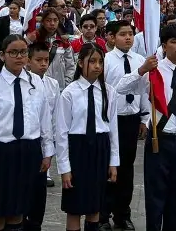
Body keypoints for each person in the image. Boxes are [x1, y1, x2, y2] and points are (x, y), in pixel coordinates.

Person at [117, 24, 176, 231]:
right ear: (164, 45)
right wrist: (141, 70)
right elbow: (121, 88)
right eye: (174, 42)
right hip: (158, 140)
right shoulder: (153, 71)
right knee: (155, 197)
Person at [0, 34, 53, 231]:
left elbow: (44, 119)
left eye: (23, 52)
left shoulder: (36, 83)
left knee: (17, 213)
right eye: (13, 52)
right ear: (2, 55)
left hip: (28, 152)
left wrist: (47, 151)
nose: (19, 57)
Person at [56, 42, 119, 231]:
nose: (97, 66)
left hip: (100, 148)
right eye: (92, 61)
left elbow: (113, 128)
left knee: (95, 205)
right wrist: (65, 168)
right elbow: (61, 133)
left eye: (100, 61)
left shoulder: (109, 92)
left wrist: (113, 162)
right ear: (80, 63)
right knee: (74, 207)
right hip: (78, 150)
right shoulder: (69, 93)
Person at [100, 20, 148, 231]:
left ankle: (122, 213)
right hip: (111, 119)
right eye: (122, 34)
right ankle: (102, 214)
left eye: (130, 33)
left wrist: (145, 118)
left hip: (131, 119)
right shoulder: (106, 60)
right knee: (109, 167)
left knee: (127, 169)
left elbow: (145, 91)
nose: (128, 38)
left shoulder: (140, 60)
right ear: (111, 37)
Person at [25, 42, 62, 231]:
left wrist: (52, 145)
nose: (43, 64)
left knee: (39, 191)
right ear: (28, 61)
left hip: (44, 141)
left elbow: (55, 116)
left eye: (46, 60)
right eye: (38, 60)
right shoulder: (23, 83)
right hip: (26, 142)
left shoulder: (52, 84)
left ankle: (35, 223)